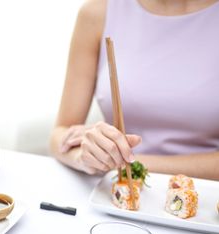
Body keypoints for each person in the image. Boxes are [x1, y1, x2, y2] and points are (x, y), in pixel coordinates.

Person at [50, 0, 219, 180]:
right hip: (115, 195)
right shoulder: (97, 12)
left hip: (205, 199)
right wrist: (85, 155)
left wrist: (125, 162)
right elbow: (60, 135)